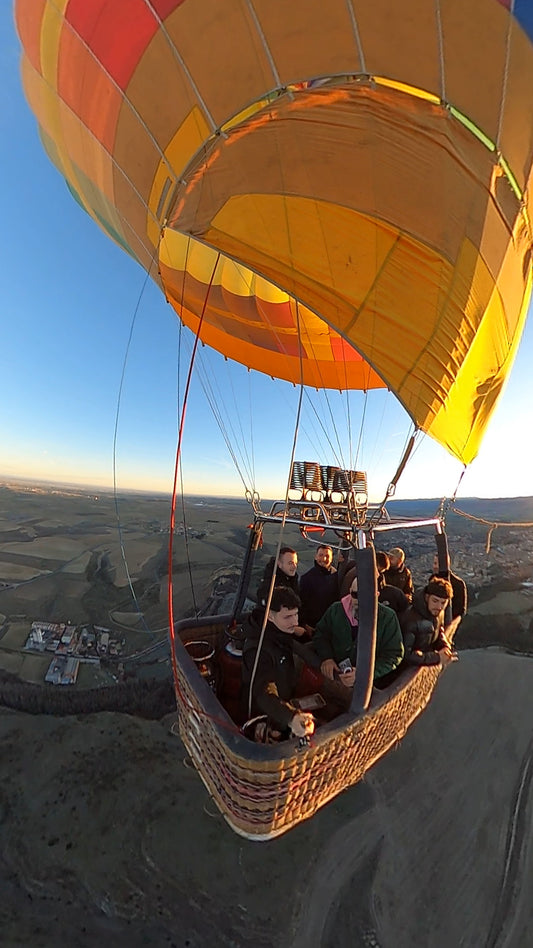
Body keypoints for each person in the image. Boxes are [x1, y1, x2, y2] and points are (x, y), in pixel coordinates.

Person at [311, 570, 404, 708]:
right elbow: (320, 635)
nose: (360, 600)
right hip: (336, 680)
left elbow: (394, 654)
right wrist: (327, 658)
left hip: (369, 688)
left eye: (366, 596)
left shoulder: (387, 618)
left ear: (377, 595)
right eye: (355, 595)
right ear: (350, 592)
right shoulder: (336, 610)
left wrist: (364, 673)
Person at [242, 586, 315, 739]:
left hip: (284, 702)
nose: (295, 621)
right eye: (288, 617)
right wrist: (290, 717)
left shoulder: (280, 631)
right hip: (265, 713)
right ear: (270, 616)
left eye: (296, 615)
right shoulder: (258, 649)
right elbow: (263, 692)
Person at [400, 577, 456, 666]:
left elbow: (439, 631)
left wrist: (445, 647)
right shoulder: (410, 620)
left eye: (443, 603)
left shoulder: (438, 612)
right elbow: (405, 655)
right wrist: (437, 657)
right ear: (426, 597)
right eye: (435, 601)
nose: (439, 607)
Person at [298, 544, 338, 628]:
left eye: (327, 556)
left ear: (331, 559)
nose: (324, 559)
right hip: (314, 625)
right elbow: (302, 604)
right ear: (315, 557)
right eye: (321, 555)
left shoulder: (336, 575)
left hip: (332, 623)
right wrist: (304, 624)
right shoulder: (306, 579)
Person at [430, 553, 467, 620]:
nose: (434, 566)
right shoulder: (432, 580)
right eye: (434, 563)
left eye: (437, 564)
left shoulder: (458, 584)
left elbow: (460, 610)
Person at [375, 551, 410, 616]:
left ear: (399, 560)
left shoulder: (406, 574)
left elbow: (409, 590)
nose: (389, 558)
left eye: (392, 557)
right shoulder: (385, 572)